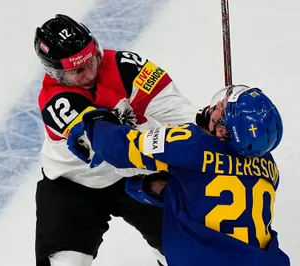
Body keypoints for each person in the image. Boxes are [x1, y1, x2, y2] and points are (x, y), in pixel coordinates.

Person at [34, 14, 197, 266]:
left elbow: (176, 112)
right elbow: (111, 148)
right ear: (56, 73)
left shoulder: (127, 66)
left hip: (135, 175)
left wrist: (209, 135)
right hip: (73, 187)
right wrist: (174, 158)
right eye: (77, 70)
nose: (89, 72)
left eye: (92, 60)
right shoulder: (57, 101)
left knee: (185, 255)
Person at [67, 85, 291, 266]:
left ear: (223, 131)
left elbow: (119, 147)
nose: (215, 106)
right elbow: (216, 188)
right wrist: (166, 192)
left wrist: (95, 124)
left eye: (221, 108)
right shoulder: (269, 168)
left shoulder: (191, 143)